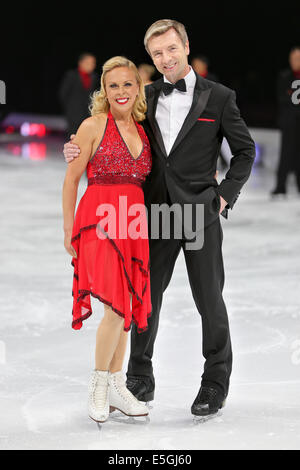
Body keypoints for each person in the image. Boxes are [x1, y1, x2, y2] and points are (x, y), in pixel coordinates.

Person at [64, 19, 256, 418]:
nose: (165, 59)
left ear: (185, 46)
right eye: (156, 54)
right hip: (153, 215)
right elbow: (112, 132)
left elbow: (245, 152)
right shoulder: (142, 96)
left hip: (199, 213)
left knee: (209, 299)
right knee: (144, 299)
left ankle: (215, 382)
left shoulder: (219, 97)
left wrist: (223, 197)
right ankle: (138, 376)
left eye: (171, 49)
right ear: (150, 58)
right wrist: (75, 149)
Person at [62, 56, 152, 423]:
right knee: (115, 307)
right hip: (99, 220)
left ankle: (116, 385)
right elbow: (71, 180)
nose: (120, 91)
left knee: (126, 307)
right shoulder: (93, 125)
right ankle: (100, 384)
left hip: (132, 224)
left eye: (127, 84)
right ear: (104, 90)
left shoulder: (144, 129)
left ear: (137, 87)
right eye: (113, 85)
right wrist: (68, 228)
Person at [271, 46, 300, 197]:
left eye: (297, 58)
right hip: (289, 121)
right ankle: (281, 186)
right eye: (292, 58)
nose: (294, 61)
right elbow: (282, 97)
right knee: (286, 153)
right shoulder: (284, 76)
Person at [59, 53, 98, 136]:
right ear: (81, 63)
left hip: (87, 113)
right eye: (88, 63)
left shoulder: (94, 77)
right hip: (73, 114)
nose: (91, 66)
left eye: (93, 63)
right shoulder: (71, 75)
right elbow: (63, 94)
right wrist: (69, 109)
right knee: (73, 137)